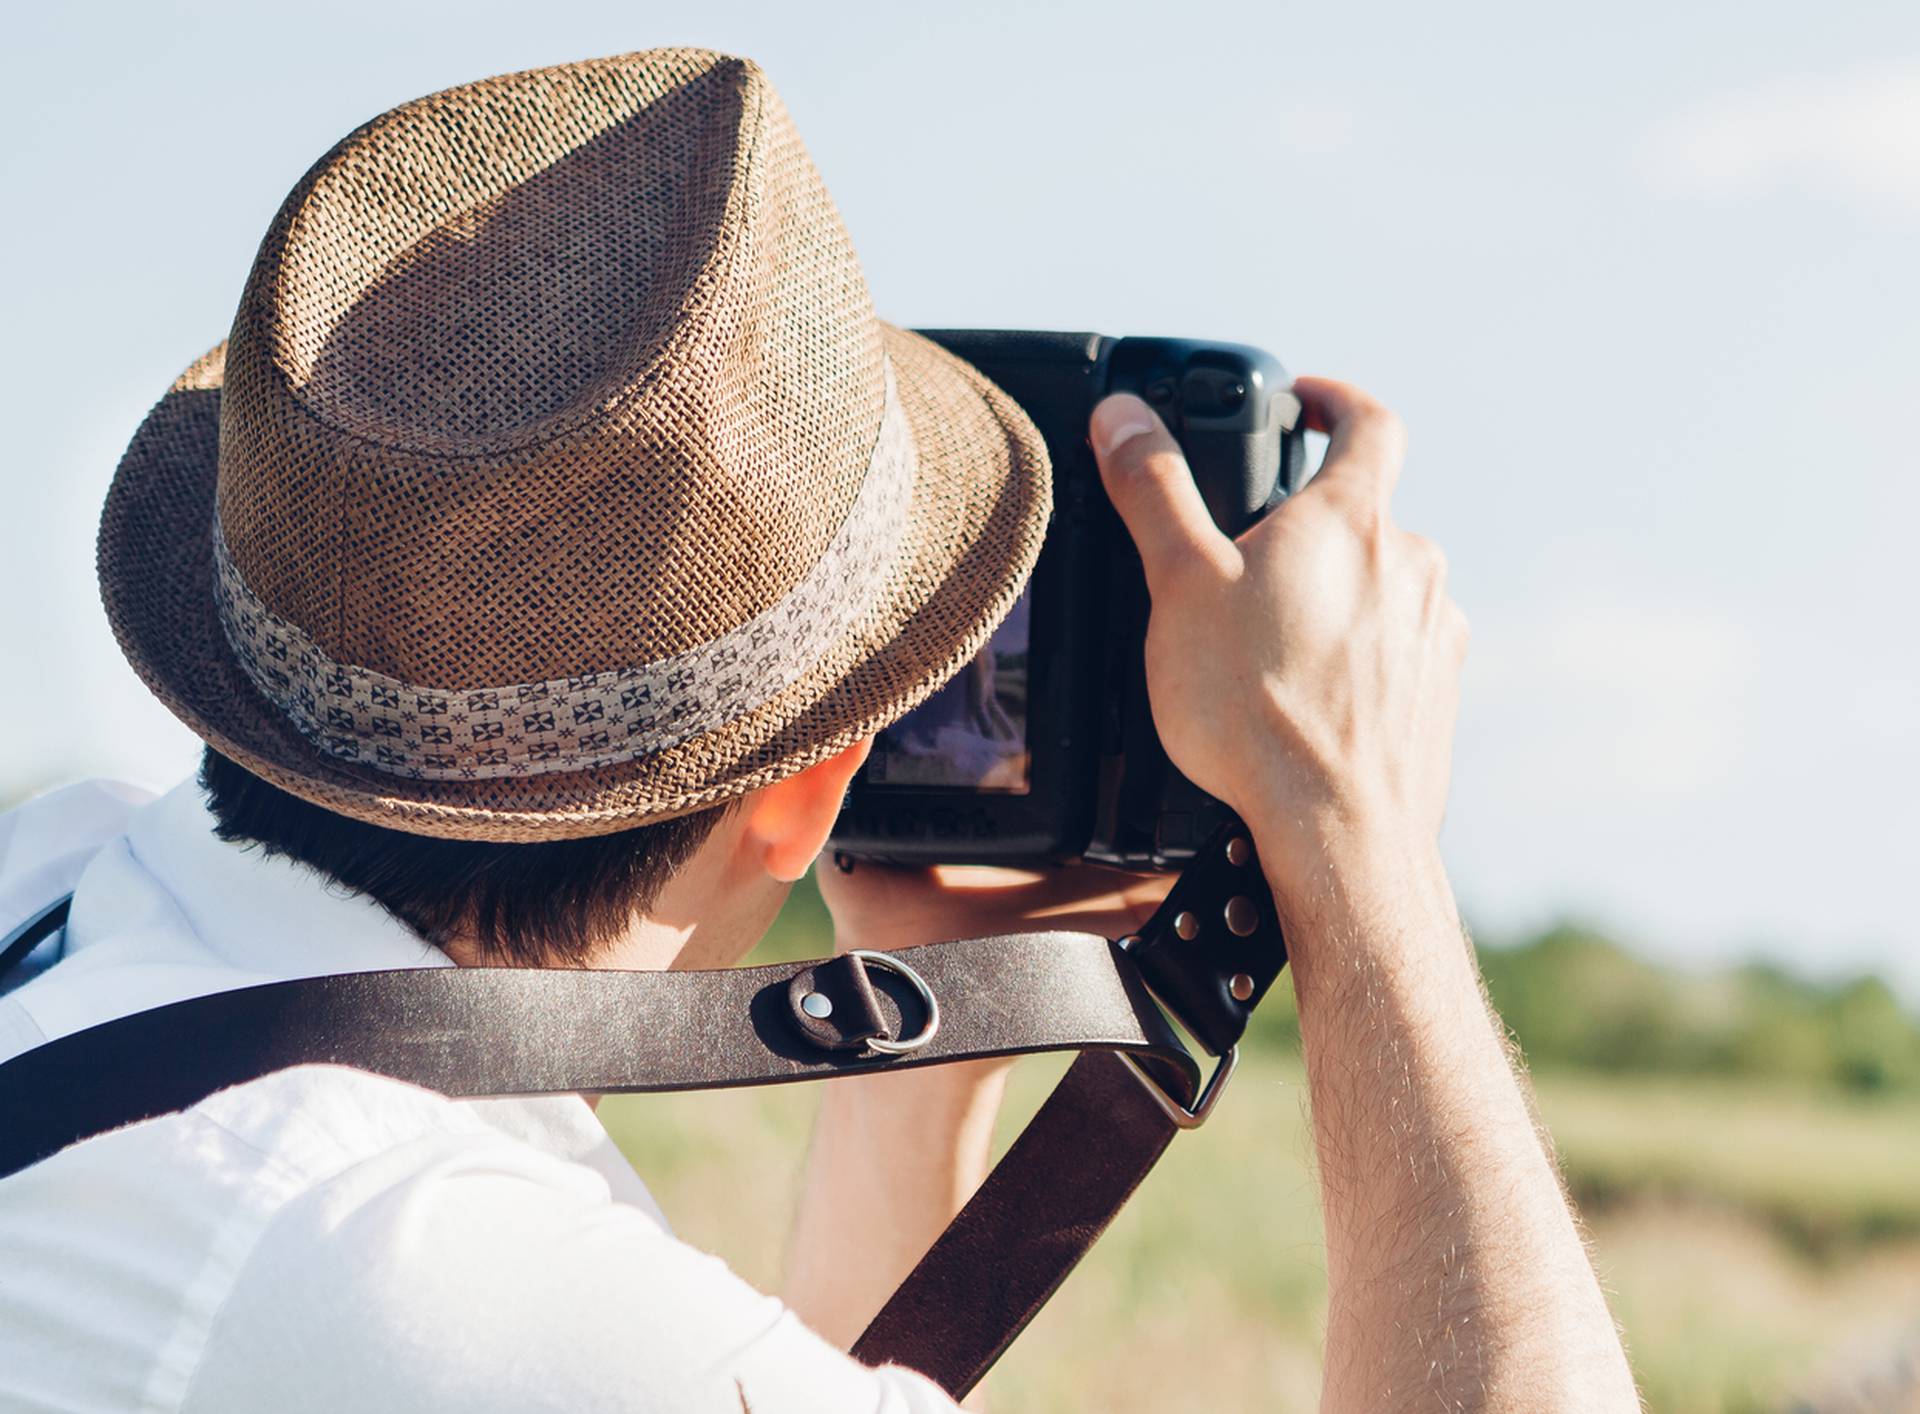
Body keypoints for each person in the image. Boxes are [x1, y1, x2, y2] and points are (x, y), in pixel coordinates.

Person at [0, 48, 1639, 1414]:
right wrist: (1350, 826)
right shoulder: (413, 1274)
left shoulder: (59, 895)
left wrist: (912, 1054)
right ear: (802, 792)